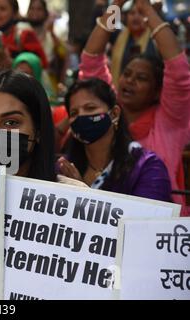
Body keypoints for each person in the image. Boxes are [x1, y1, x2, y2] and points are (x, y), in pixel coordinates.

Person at [80, 0, 190, 215]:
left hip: (159, 228)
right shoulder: (108, 111)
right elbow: (91, 61)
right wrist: (116, 6)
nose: (129, 81)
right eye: (127, 74)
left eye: (141, 78)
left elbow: (178, 69)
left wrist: (146, 8)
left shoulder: (169, 122)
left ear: (157, 91)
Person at [57, 78, 172, 202]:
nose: (81, 116)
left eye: (90, 108)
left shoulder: (147, 167)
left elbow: (147, 218)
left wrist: (83, 195)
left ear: (114, 114)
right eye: (74, 113)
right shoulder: (65, 168)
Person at [0, 0, 48, 75]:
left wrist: (10, 61)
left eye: (2, 9)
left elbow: (40, 64)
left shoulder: (24, 34)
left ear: (14, 14)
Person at [110, 0, 160, 85]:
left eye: (141, 13)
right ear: (126, 16)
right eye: (132, 13)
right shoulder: (117, 36)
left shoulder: (156, 39)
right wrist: (116, 4)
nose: (136, 17)